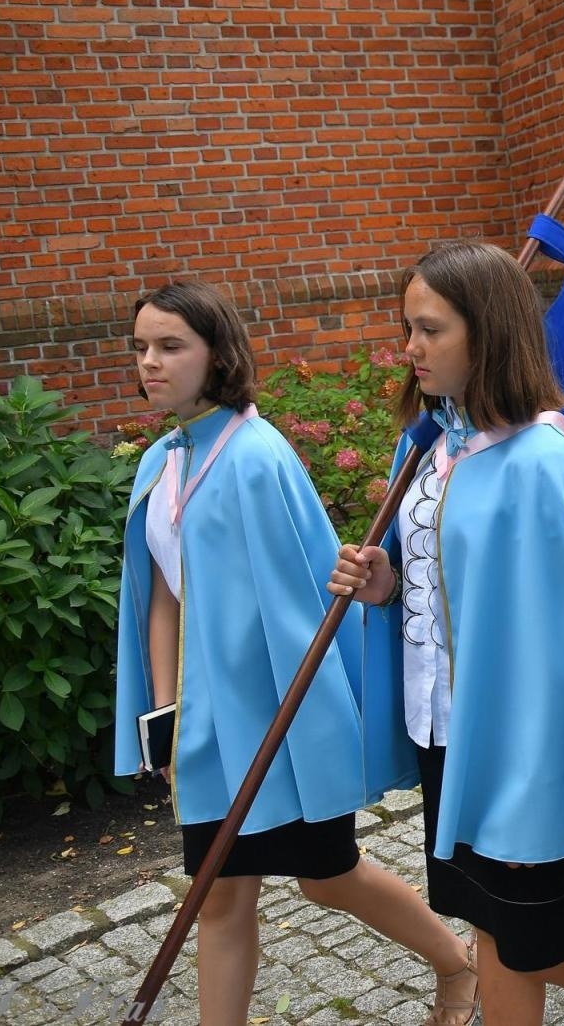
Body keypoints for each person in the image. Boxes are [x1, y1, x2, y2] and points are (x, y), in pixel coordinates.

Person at [113, 280, 478, 1026]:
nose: (150, 362)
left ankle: (457, 966)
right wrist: (165, 718)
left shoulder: (255, 456)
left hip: (274, 720)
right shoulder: (162, 462)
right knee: (219, 893)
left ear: (217, 355)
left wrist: (307, 731)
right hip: (207, 730)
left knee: (327, 875)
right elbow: (162, 597)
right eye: (142, 347)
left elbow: (300, 607)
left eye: (171, 346)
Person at [327, 242, 564, 1026]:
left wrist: (552, 760)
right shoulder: (433, 448)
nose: (411, 349)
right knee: (496, 929)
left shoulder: (543, 463)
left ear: (489, 333)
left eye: (430, 330)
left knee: (535, 938)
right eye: (408, 328)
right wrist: (387, 583)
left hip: (523, 754)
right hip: (449, 736)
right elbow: (457, 585)